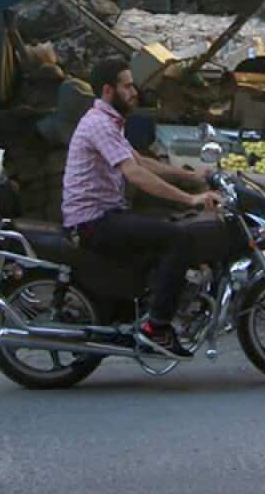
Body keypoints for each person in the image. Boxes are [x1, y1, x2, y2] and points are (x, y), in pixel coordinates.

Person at [62, 57, 224, 358]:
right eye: (127, 86)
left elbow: (141, 162)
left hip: (107, 214)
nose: (134, 91)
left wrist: (193, 176)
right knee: (177, 237)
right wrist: (190, 199)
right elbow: (134, 174)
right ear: (109, 91)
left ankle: (144, 311)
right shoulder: (99, 124)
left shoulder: (109, 121)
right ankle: (158, 328)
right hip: (93, 221)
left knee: (164, 226)